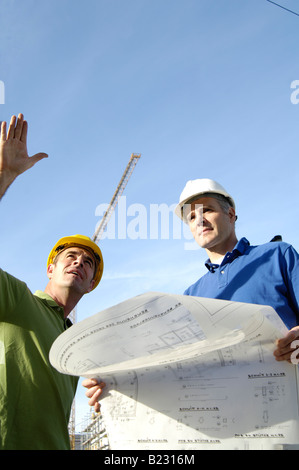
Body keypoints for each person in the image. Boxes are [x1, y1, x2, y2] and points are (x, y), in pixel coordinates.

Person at [0, 114, 105, 450]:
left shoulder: (77, 344)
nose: (79, 263)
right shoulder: (16, 299)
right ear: (50, 269)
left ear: (91, 285)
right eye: (70, 257)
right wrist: (5, 174)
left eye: (88, 263)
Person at [175, 178, 299, 364]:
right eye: (191, 217)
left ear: (231, 214)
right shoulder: (191, 295)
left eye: (207, 210)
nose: (199, 220)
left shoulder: (277, 255)